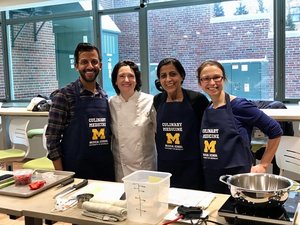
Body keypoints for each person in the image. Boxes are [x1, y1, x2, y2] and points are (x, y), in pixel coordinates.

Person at [197, 60, 283, 194]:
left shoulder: (239, 105)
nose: (212, 83)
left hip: (238, 180)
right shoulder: (208, 108)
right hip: (211, 177)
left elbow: (275, 130)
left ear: (223, 79)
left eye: (216, 77)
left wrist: (264, 164)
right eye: (206, 79)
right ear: (200, 83)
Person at [46, 42, 115, 181]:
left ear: (100, 66)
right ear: (76, 65)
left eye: (94, 62)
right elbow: (52, 140)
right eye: (84, 62)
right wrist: (63, 177)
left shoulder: (104, 96)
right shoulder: (64, 96)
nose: (90, 66)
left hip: (104, 171)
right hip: (76, 173)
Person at [153, 58, 209, 190]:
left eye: (173, 74)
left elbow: (206, 133)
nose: (168, 79)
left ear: (182, 76)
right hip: (165, 167)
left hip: (192, 167)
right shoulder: (157, 100)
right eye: (163, 76)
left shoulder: (197, 100)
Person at [109, 60, 157, 182]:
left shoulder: (150, 102)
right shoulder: (110, 104)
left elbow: (159, 135)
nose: (126, 80)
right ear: (115, 81)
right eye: (121, 76)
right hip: (121, 170)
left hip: (146, 169)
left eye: (131, 76)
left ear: (136, 80)